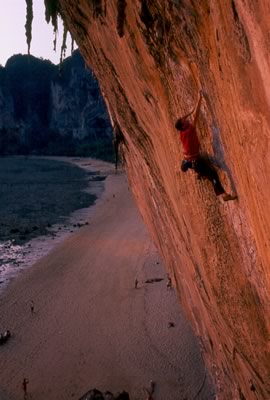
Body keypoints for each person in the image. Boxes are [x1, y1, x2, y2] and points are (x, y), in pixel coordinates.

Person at [175, 91, 237, 202]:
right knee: (212, 175)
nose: (187, 119)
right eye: (185, 121)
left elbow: (183, 120)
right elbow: (196, 116)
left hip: (190, 160)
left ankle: (199, 173)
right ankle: (223, 195)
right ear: (184, 126)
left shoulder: (182, 132)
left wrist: (189, 112)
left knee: (205, 168)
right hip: (196, 162)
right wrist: (199, 100)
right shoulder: (189, 131)